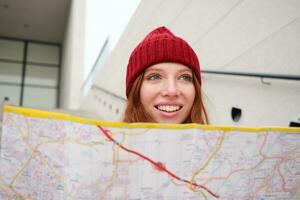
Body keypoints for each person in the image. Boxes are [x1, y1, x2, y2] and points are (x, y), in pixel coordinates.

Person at [123, 26, 209, 124]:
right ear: (135, 90)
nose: (172, 91)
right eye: (154, 77)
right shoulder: (110, 139)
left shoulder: (220, 139)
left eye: (184, 77)